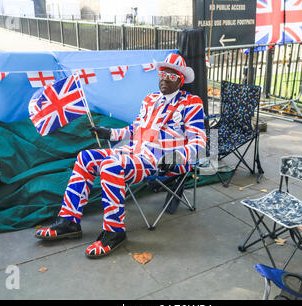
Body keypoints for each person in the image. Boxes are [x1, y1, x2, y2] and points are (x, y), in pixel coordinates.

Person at [35, 53, 207, 259]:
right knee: (85, 157)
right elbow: (134, 130)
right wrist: (109, 133)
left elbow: (199, 142)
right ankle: (69, 221)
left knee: (111, 166)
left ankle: (115, 231)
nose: (164, 78)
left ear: (180, 79)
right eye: (162, 73)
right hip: (133, 152)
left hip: (160, 159)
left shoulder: (191, 102)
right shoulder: (150, 100)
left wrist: (175, 158)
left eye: (170, 75)